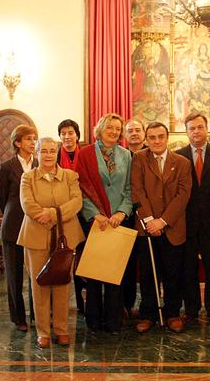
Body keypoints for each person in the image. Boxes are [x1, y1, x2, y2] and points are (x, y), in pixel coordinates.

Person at [18, 137, 83, 349]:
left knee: (63, 283)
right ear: (37, 153)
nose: (48, 155)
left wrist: (53, 214)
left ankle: (62, 330)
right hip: (35, 236)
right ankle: (43, 332)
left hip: (65, 236)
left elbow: (76, 202)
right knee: (40, 285)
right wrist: (45, 215)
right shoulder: (27, 177)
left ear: (57, 153)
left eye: (52, 151)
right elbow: (27, 204)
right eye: (43, 151)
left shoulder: (70, 176)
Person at [131, 122, 192, 333]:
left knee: (173, 273)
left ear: (167, 138)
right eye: (152, 137)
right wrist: (150, 221)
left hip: (172, 228)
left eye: (160, 137)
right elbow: (137, 190)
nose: (156, 141)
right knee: (148, 274)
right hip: (146, 228)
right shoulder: (139, 158)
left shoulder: (182, 162)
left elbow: (183, 195)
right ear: (146, 139)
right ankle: (148, 314)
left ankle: (172, 313)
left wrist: (163, 221)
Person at [74, 113, 133, 333]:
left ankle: (113, 320)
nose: (114, 132)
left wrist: (122, 212)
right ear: (100, 129)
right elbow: (79, 188)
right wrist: (94, 214)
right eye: (110, 127)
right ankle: (94, 320)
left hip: (118, 222)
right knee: (95, 273)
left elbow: (130, 188)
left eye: (118, 129)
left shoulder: (126, 155)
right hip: (95, 222)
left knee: (115, 273)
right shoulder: (85, 154)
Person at [175, 113, 210, 325]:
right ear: (186, 131)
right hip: (186, 222)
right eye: (192, 128)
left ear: (206, 129)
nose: (196, 131)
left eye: (200, 127)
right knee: (188, 268)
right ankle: (191, 310)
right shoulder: (178, 156)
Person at [0, 124, 38, 332]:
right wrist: (13, 213)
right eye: (29, 139)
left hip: (36, 226)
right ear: (18, 142)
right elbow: (1, 200)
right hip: (13, 226)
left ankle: (37, 314)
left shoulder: (39, 164)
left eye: (34, 138)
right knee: (14, 275)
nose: (33, 142)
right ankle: (19, 318)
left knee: (35, 274)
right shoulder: (6, 167)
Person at [56, 119, 88, 314]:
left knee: (82, 258)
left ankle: (83, 302)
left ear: (77, 135)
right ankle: (61, 303)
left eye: (70, 133)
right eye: (63, 133)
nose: (67, 137)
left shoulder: (85, 155)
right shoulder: (54, 156)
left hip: (85, 213)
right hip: (63, 214)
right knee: (64, 258)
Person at [120, 118, 147, 317]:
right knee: (126, 265)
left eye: (138, 130)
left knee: (147, 266)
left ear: (144, 133)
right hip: (126, 218)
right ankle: (126, 305)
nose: (134, 133)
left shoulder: (151, 154)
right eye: (130, 130)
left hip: (148, 218)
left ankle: (149, 308)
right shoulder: (121, 156)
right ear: (125, 135)